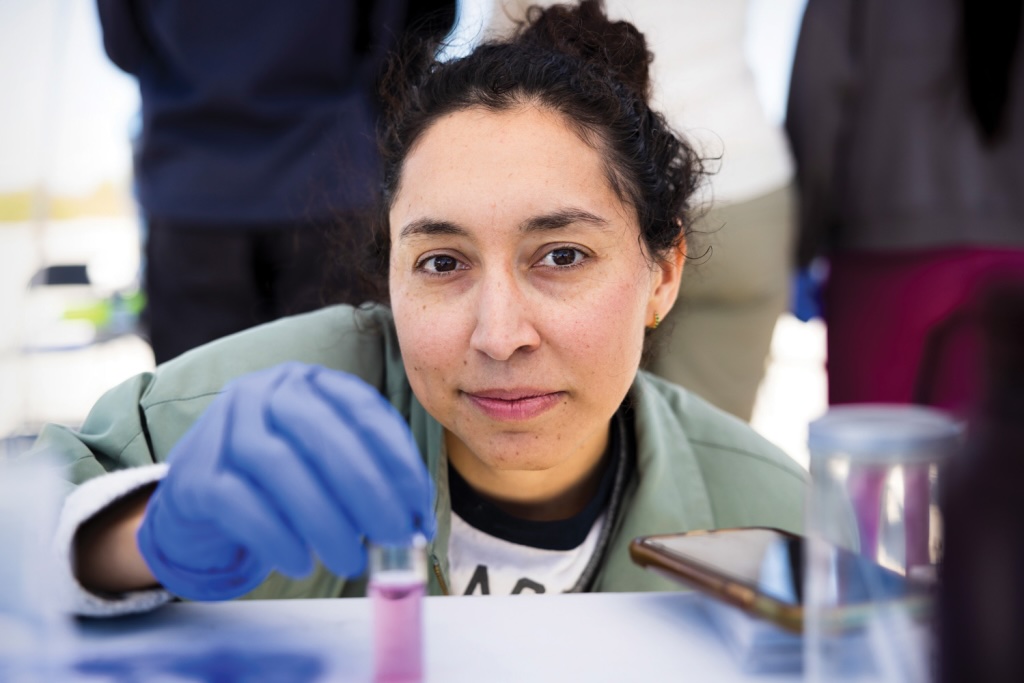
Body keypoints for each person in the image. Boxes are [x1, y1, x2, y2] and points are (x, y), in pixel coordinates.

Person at [30, 0, 804, 616]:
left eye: (561, 256)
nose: (499, 336)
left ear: (663, 273)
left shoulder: (779, 517)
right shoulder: (233, 412)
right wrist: (127, 538)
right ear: (389, 275)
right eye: (442, 262)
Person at [487, 0, 797, 422]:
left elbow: (505, 61)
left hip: (593, 194)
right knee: (708, 442)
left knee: (577, 439)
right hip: (746, 188)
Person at [96, 0, 455, 363]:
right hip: (327, 173)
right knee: (338, 392)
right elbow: (412, 27)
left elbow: (122, 45)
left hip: (192, 184)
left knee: (198, 401)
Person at [786, 0, 1024, 414]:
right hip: (1010, 268)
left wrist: (800, 246)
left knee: (864, 469)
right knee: (980, 471)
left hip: (882, 260)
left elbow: (816, 97)